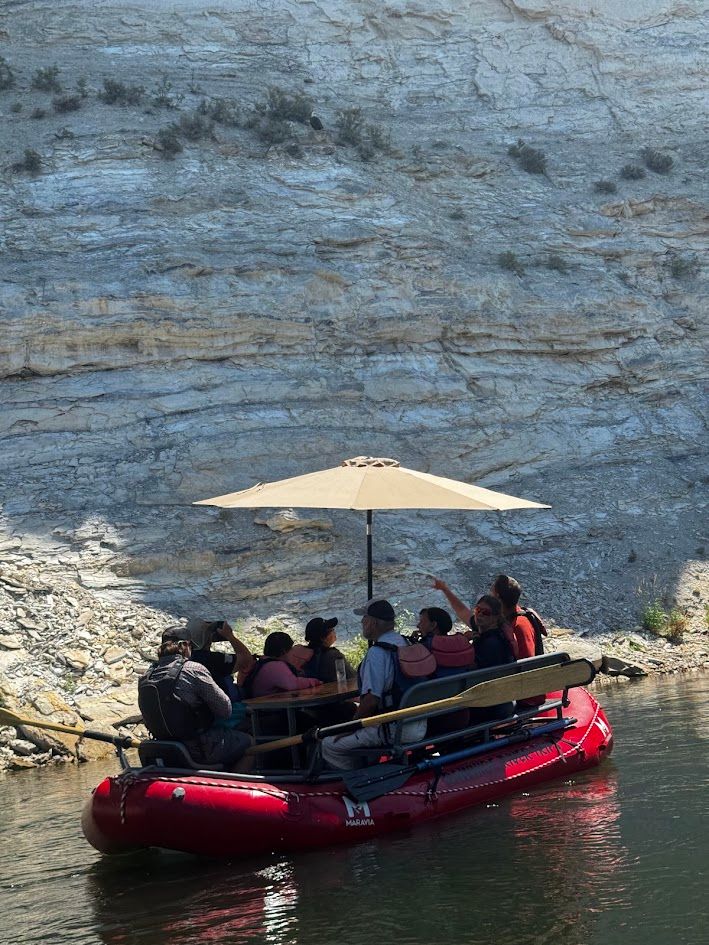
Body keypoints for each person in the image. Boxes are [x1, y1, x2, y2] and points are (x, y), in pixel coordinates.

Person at [320, 599, 428, 770]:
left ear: (373, 622)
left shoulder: (377, 653)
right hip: (418, 724)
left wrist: (350, 728)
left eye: (364, 618)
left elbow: (371, 701)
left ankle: (355, 781)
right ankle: (371, 770)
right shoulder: (406, 643)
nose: (362, 622)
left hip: (393, 729)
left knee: (329, 744)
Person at [138, 628, 252, 769]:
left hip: (161, 747)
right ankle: (235, 784)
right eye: (191, 646)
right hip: (198, 748)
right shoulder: (193, 669)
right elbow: (225, 710)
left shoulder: (145, 676)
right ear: (186, 646)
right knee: (249, 743)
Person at [182, 617, 252, 701]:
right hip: (219, 709)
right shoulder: (212, 660)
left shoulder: (183, 657)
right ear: (208, 638)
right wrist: (230, 636)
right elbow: (246, 659)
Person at [242, 631, 323, 699]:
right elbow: (293, 684)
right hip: (268, 712)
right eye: (291, 649)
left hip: (262, 707)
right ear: (284, 651)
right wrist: (315, 682)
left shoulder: (263, 663)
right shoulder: (274, 666)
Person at [301, 616, 357, 683]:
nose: (334, 632)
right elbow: (352, 677)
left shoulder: (304, 655)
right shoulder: (334, 656)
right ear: (323, 638)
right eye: (332, 630)